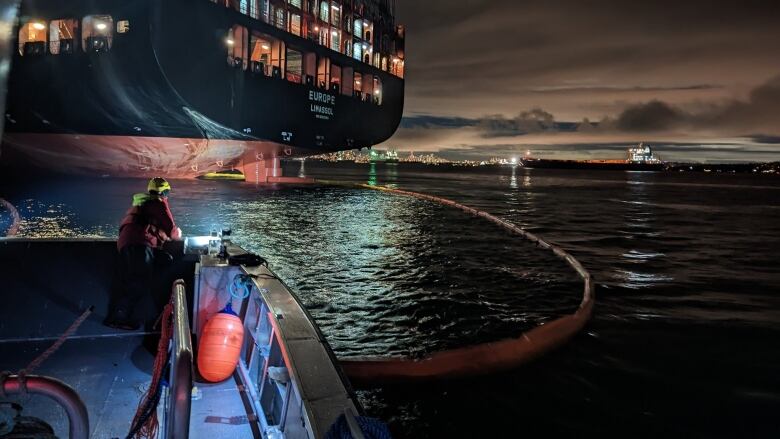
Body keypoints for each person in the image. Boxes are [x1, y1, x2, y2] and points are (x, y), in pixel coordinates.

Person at [105, 177, 182, 330]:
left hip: (127, 244)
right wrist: (177, 233)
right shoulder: (158, 204)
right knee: (137, 282)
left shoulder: (140, 203)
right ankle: (119, 318)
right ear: (165, 192)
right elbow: (173, 232)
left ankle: (121, 314)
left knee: (137, 276)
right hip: (140, 244)